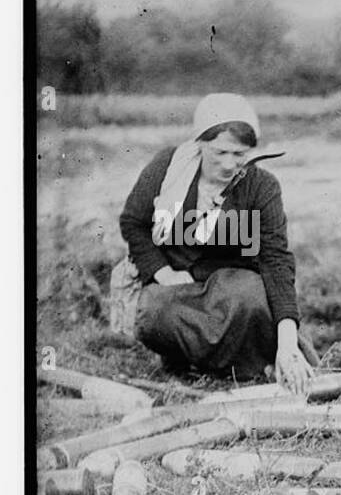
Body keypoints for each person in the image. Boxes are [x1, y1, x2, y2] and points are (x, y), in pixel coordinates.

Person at [115, 94, 315, 394]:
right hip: (181, 288)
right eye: (220, 152)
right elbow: (133, 223)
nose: (229, 164)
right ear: (199, 143)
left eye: (240, 154)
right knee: (153, 312)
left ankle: (251, 367)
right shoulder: (168, 169)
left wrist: (287, 343)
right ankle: (185, 362)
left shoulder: (262, 187)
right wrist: (163, 272)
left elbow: (276, 261)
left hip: (235, 291)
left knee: (252, 298)